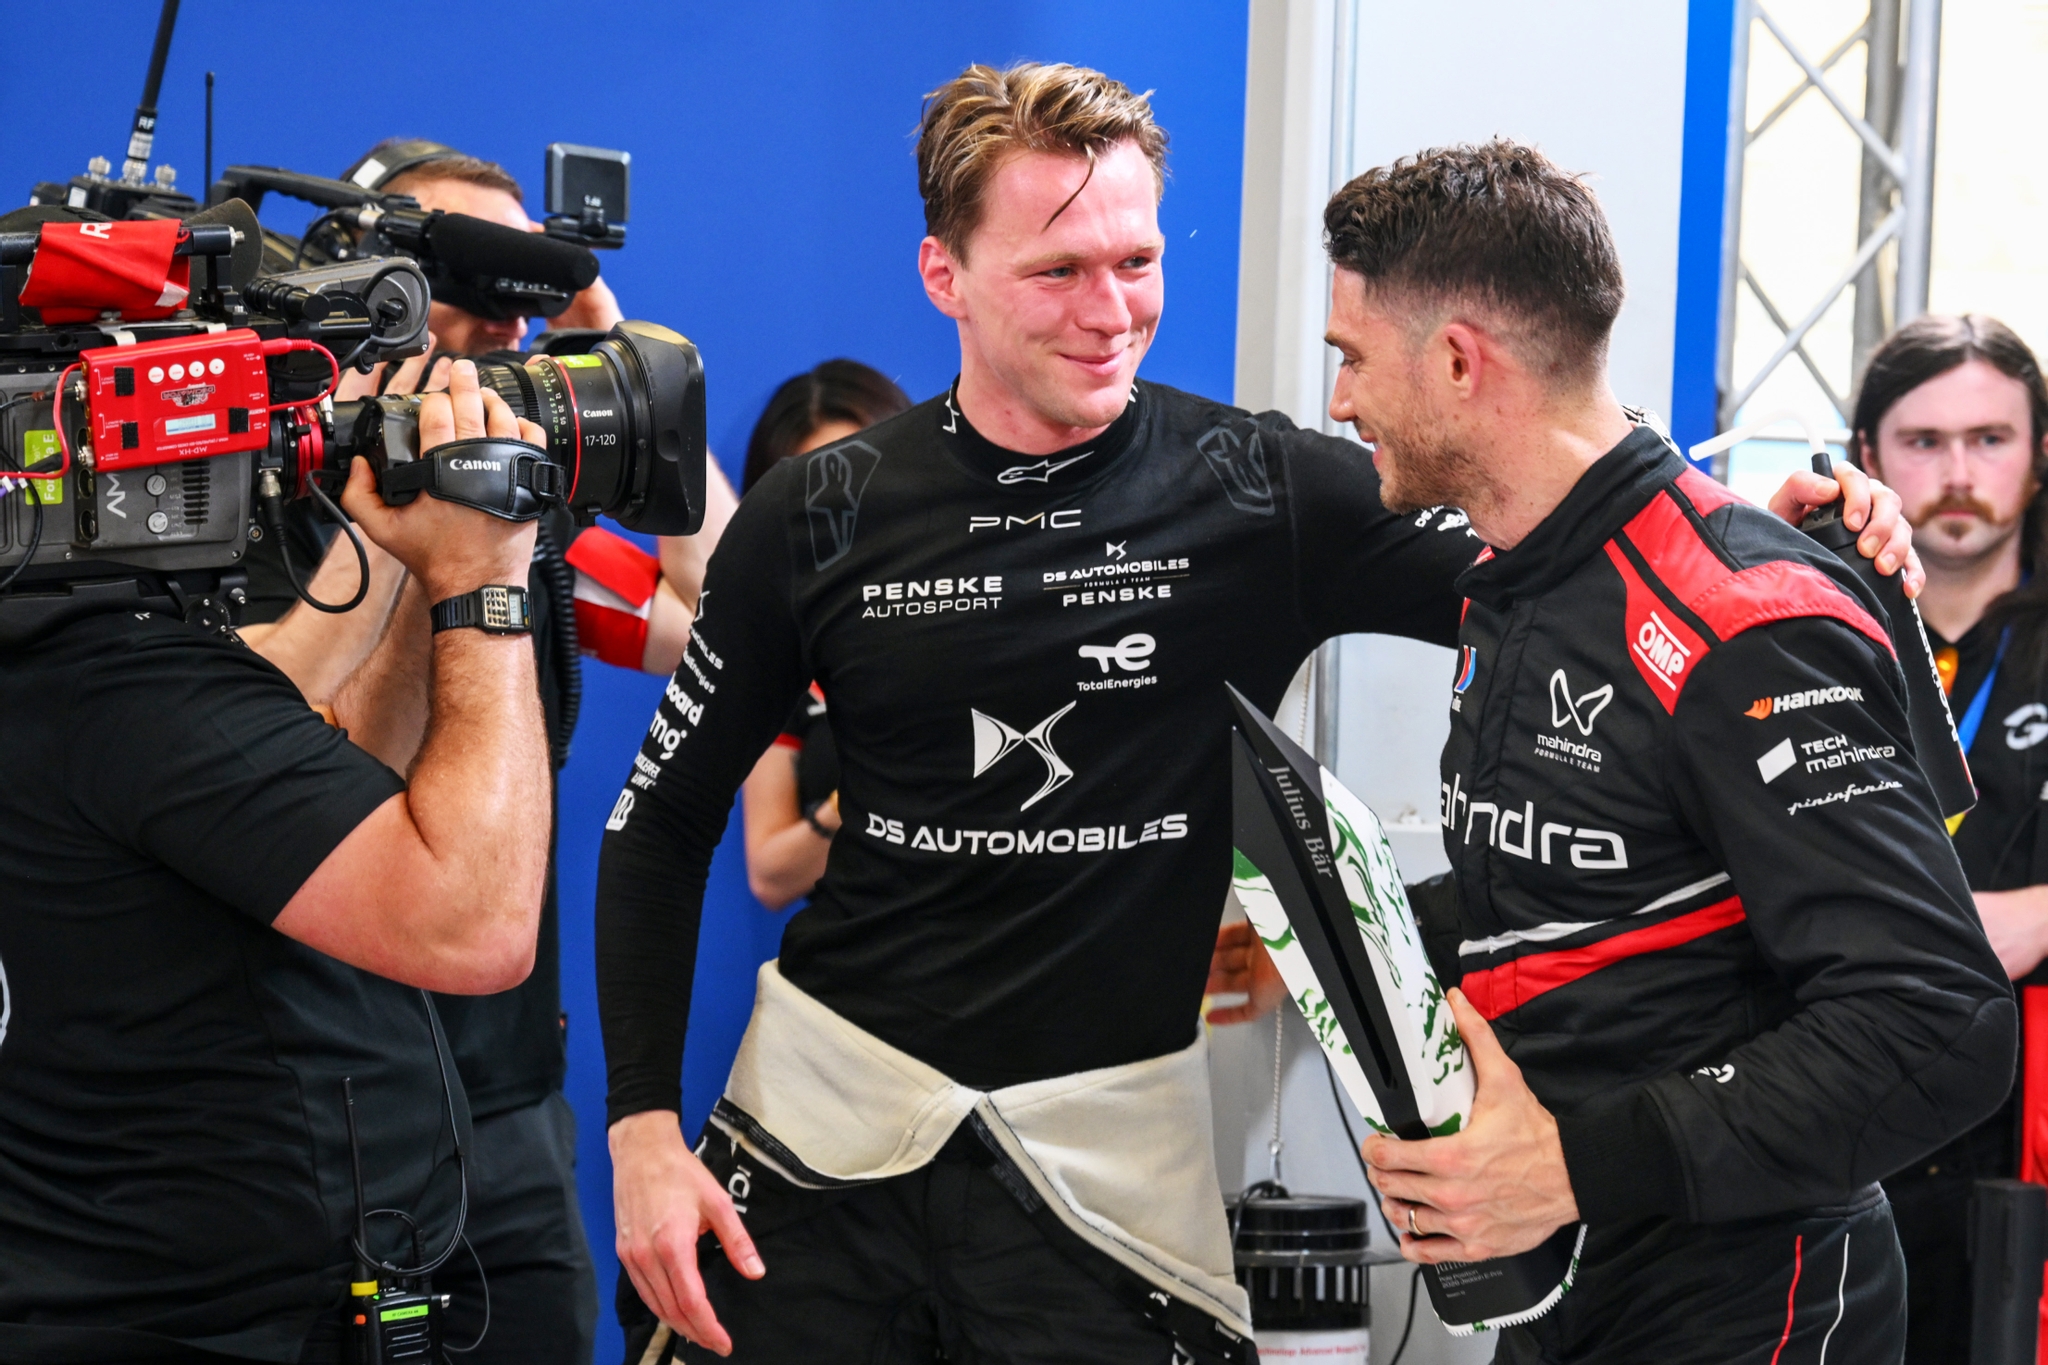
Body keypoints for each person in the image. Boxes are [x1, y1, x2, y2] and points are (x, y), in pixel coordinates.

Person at [594, 66, 1921, 1365]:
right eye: (1057, 272)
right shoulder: (816, 512)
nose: (1109, 312)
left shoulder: (1255, 489)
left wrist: (1762, 537)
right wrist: (642, 1128)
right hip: (829, 1118)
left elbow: (1569, 558)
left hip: (1103, 1156)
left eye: (1136, 262)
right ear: (945, 274)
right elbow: (659, 826)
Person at [1303, 144, 2015, 1363]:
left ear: (1459, 361)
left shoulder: (1738, 617)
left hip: (1752, 1299)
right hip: (1573, 1276)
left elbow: (1936, 1021)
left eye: (1352, 358)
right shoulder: (1516, 578)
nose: (1339, 401)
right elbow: (1578, 887)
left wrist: (1569, 1167)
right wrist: (1337, 927)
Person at [238, 139, 739, 1365]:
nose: (503, 324)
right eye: (464, 279)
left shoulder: (526, 524)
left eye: (529, 288)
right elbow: (282, 755)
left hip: (504, 1112)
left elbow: (725, 624)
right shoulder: (240, 511)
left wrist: (614, 354)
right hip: (300, 1120)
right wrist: (412, 528)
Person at [0, 370, 554, 1362]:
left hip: (157, 1286)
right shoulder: (122, 688)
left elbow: (342, 788)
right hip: (216, 1314)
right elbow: (476, 925)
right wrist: (487, 586)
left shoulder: (72, 662)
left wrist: (413, 568)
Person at [1844, 315, 2048, 1363]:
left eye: (1989, 439)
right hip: (1848, 1115)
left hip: (2029, 1134)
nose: (1958, 474)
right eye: (1923, 442)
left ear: (2039, 452)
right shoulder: (1803, 629)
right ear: (1867, 454)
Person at [737, 361, 912, 909]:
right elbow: (770, 876)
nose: (847, 514)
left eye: (865, 481)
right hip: (859, 948)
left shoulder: (986, 609)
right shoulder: (782, 661)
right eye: (819, 497)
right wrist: (855, 797)